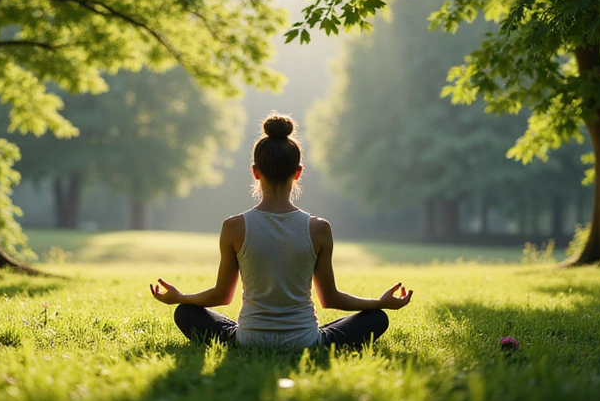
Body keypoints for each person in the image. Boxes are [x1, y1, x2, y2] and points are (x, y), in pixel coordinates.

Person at [149, 112, 413, 349]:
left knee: (185, 312)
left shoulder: (234, 227)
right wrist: (379, 303)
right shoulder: (319, 229)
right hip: (305, 341)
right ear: (297, 173)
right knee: (376, 318)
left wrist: (180, 297)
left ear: (255, 172)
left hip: (249, 340)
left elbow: (222, 295)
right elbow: (330, 298)